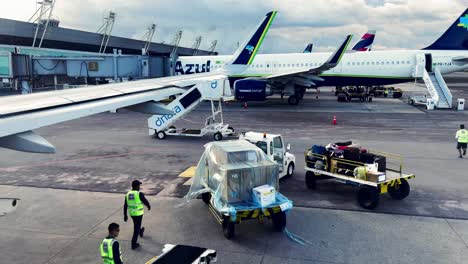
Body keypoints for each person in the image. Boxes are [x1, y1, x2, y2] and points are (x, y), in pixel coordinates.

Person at [124, 180, 151, 250]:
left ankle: (141, 231)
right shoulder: (139, 194)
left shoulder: (128, 194)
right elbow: (145, 201)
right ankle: (134, 244)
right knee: (136, 229)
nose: (139, 187)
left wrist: (125, 215)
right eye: (139, 185)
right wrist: (148, 206)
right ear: (136, 186)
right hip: (138, 214)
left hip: (132, 214)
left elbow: (125, 205)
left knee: (136, 225)